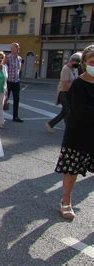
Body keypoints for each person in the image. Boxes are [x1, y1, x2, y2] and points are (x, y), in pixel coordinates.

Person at [54, 45, 94, 220]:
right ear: (85, 63)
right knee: (72, 171)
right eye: (92, 62)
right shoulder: (78, 84)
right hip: (78, 134)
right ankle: (66, 201)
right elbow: (79, 111)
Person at [46, 52, 82, 133]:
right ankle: (68, 128)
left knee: (65, 111)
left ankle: (51, 124)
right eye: (77, 62)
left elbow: (76, 81)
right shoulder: (65, 69)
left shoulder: (75, 69)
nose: (78, 65)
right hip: (63, 93)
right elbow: (65, 85)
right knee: (68, 111)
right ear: (72, 61)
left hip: (70, 93)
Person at [4, 42, 23, 122]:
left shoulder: (20, 58)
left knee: (16, 99)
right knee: (4, 99)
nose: (18, 48)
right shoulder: (7, 58)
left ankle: (15, 117)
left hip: (16, 81)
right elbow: (4, 69)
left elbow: (19, 69)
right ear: (12, 49)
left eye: (18, 47)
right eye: (16, 47)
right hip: (8, 82)